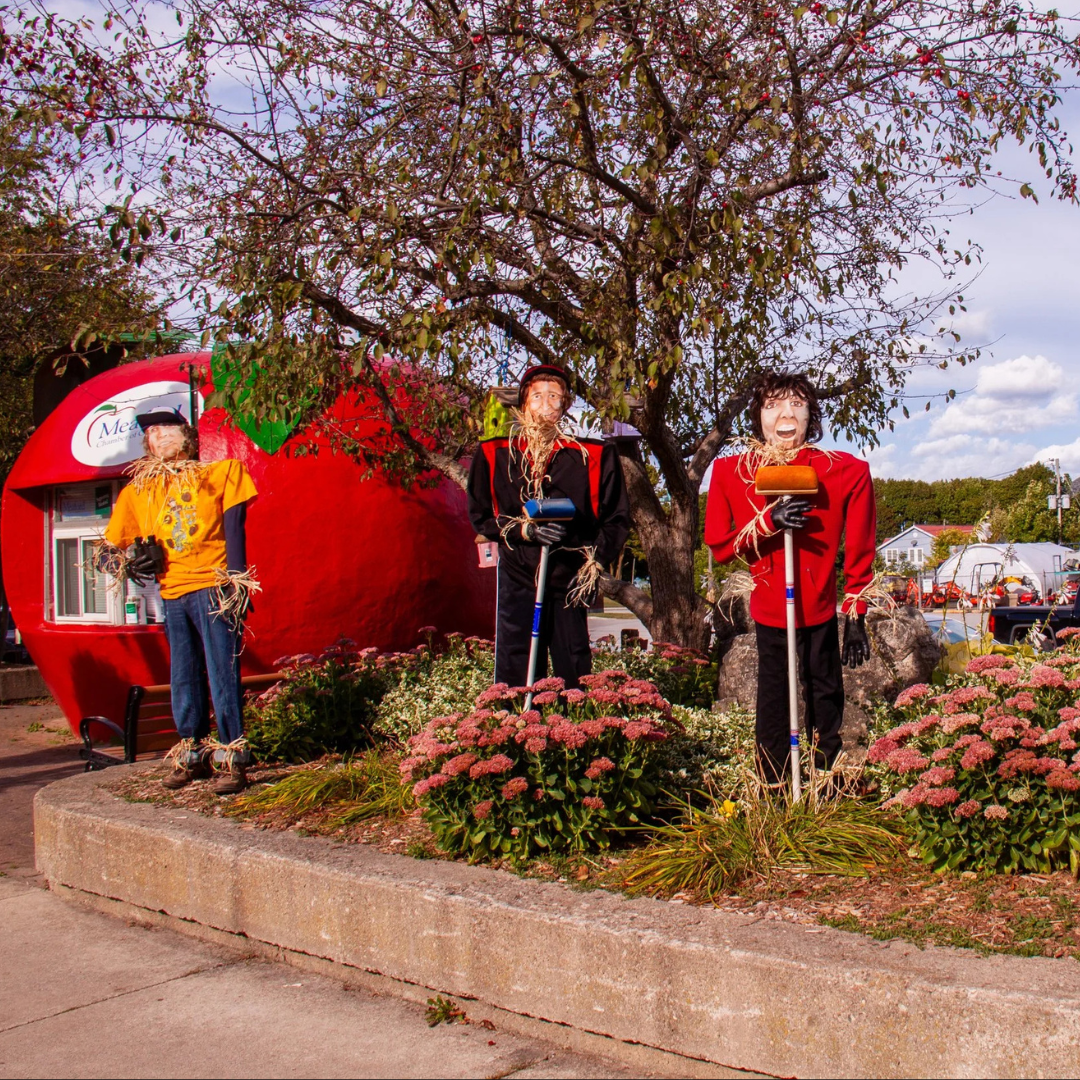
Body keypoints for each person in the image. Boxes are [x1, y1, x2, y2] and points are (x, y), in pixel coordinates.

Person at [704, 371, 875, 782]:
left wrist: (856, 612)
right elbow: (720, 546)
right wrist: (767, 523)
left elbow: (860, 544)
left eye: (797, 404)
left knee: (826, 692)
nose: (786, 413)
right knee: (774, 700)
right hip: (770, 607)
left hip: (817, 605)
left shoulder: (841, 470)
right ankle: (775, 784)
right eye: (773, 405)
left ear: (810, 415)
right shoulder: (732, 471)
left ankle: (827, 779)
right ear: (759, 416)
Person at [96, 410, 258, 793]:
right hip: (172, 592)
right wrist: (128, 560)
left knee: (222, 670)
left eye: (168, 430)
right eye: (152, 433)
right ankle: (192, 754)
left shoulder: (219, 473)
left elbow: (235, 526)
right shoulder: (137, 491)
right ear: (146, 445)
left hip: (213, 586)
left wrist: (235, 578)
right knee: (183, 676)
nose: (160, 437)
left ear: (187, 437)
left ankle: (232, 757)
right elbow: (107, 550)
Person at [468, 365, 630, 689]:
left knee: (574, 668)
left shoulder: (594, 457)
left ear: (565, 404)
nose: (545, 403)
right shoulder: (495, 454)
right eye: (537, 396)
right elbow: (481, 515)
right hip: (518, 575)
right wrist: (523, 531)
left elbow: (616, 518)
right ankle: (517, 729)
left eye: (553, 396)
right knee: (518, 667)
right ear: (524, 403)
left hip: (568, 577)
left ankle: (576, 732)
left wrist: (593, 559)